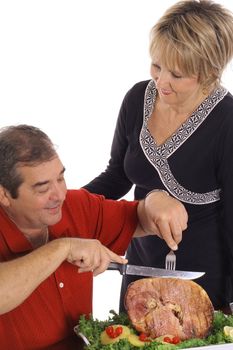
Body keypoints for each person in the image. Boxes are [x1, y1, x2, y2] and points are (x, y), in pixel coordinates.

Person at [83, 0, 233, 313]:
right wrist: (67, 209)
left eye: (177, 74)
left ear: (209, 72)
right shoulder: (138, 97)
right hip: (141, 267)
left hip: (204, 278)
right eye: (156, 65)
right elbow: (117, 176)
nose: (161, 82)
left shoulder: (227, 121)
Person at [0, 124, 166, 349]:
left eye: (60, 178)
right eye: (42, 188)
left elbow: (140, 217)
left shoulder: (77, 205)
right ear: (5, 194)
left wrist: (156, 199)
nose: (59, 195)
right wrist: (62, 248)